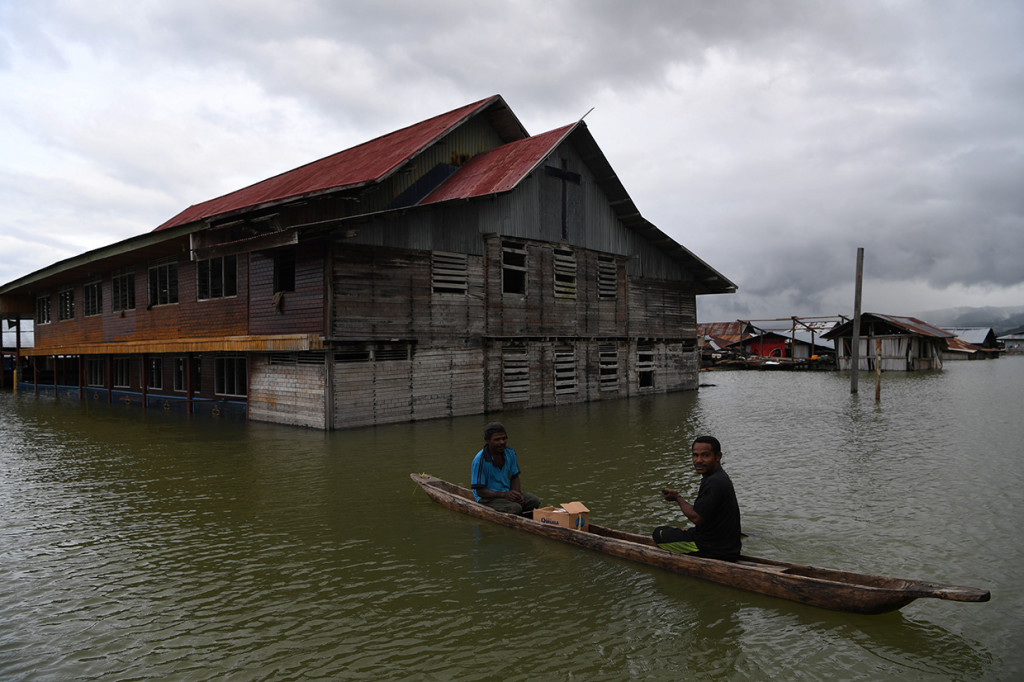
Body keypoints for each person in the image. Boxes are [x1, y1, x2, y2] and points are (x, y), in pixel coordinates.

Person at [653, 435, 742, 561]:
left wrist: (677, 497)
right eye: (695, 455)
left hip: (714, 550)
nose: (698, 460)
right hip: (728, 547)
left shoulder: (713, 482)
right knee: (685, 530)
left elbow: (696, 517)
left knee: (659, 533)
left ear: (718, 457)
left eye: (705, 455)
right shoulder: (719, 477)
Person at [471, 422, 541, 515]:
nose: (502, 442)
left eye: (504, 438)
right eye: (497, 439)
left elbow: (514, 477)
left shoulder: (510, 453)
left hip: (506, 493)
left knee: (535, 501)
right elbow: (480, 491)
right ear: (487, 440)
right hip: (487, 499)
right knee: (515, 508)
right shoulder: (480, 460)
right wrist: (504, 495)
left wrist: (516, 494)